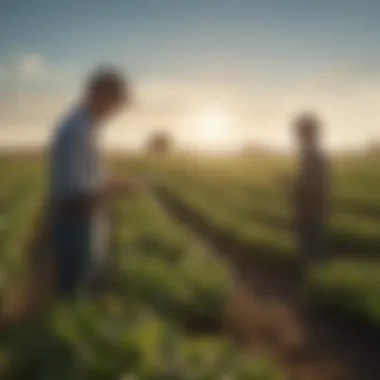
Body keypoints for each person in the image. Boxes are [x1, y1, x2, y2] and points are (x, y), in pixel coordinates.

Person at [285, 113, 330, 267]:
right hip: (307, 211)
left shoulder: (314, 156)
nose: (298, 137)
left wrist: (293, 185)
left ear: (310, 133)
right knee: (307, 248)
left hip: (312, 212)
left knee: (311, 251)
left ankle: (316, 283)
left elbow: (315, 186)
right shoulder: (307, 155)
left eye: (301, 132)